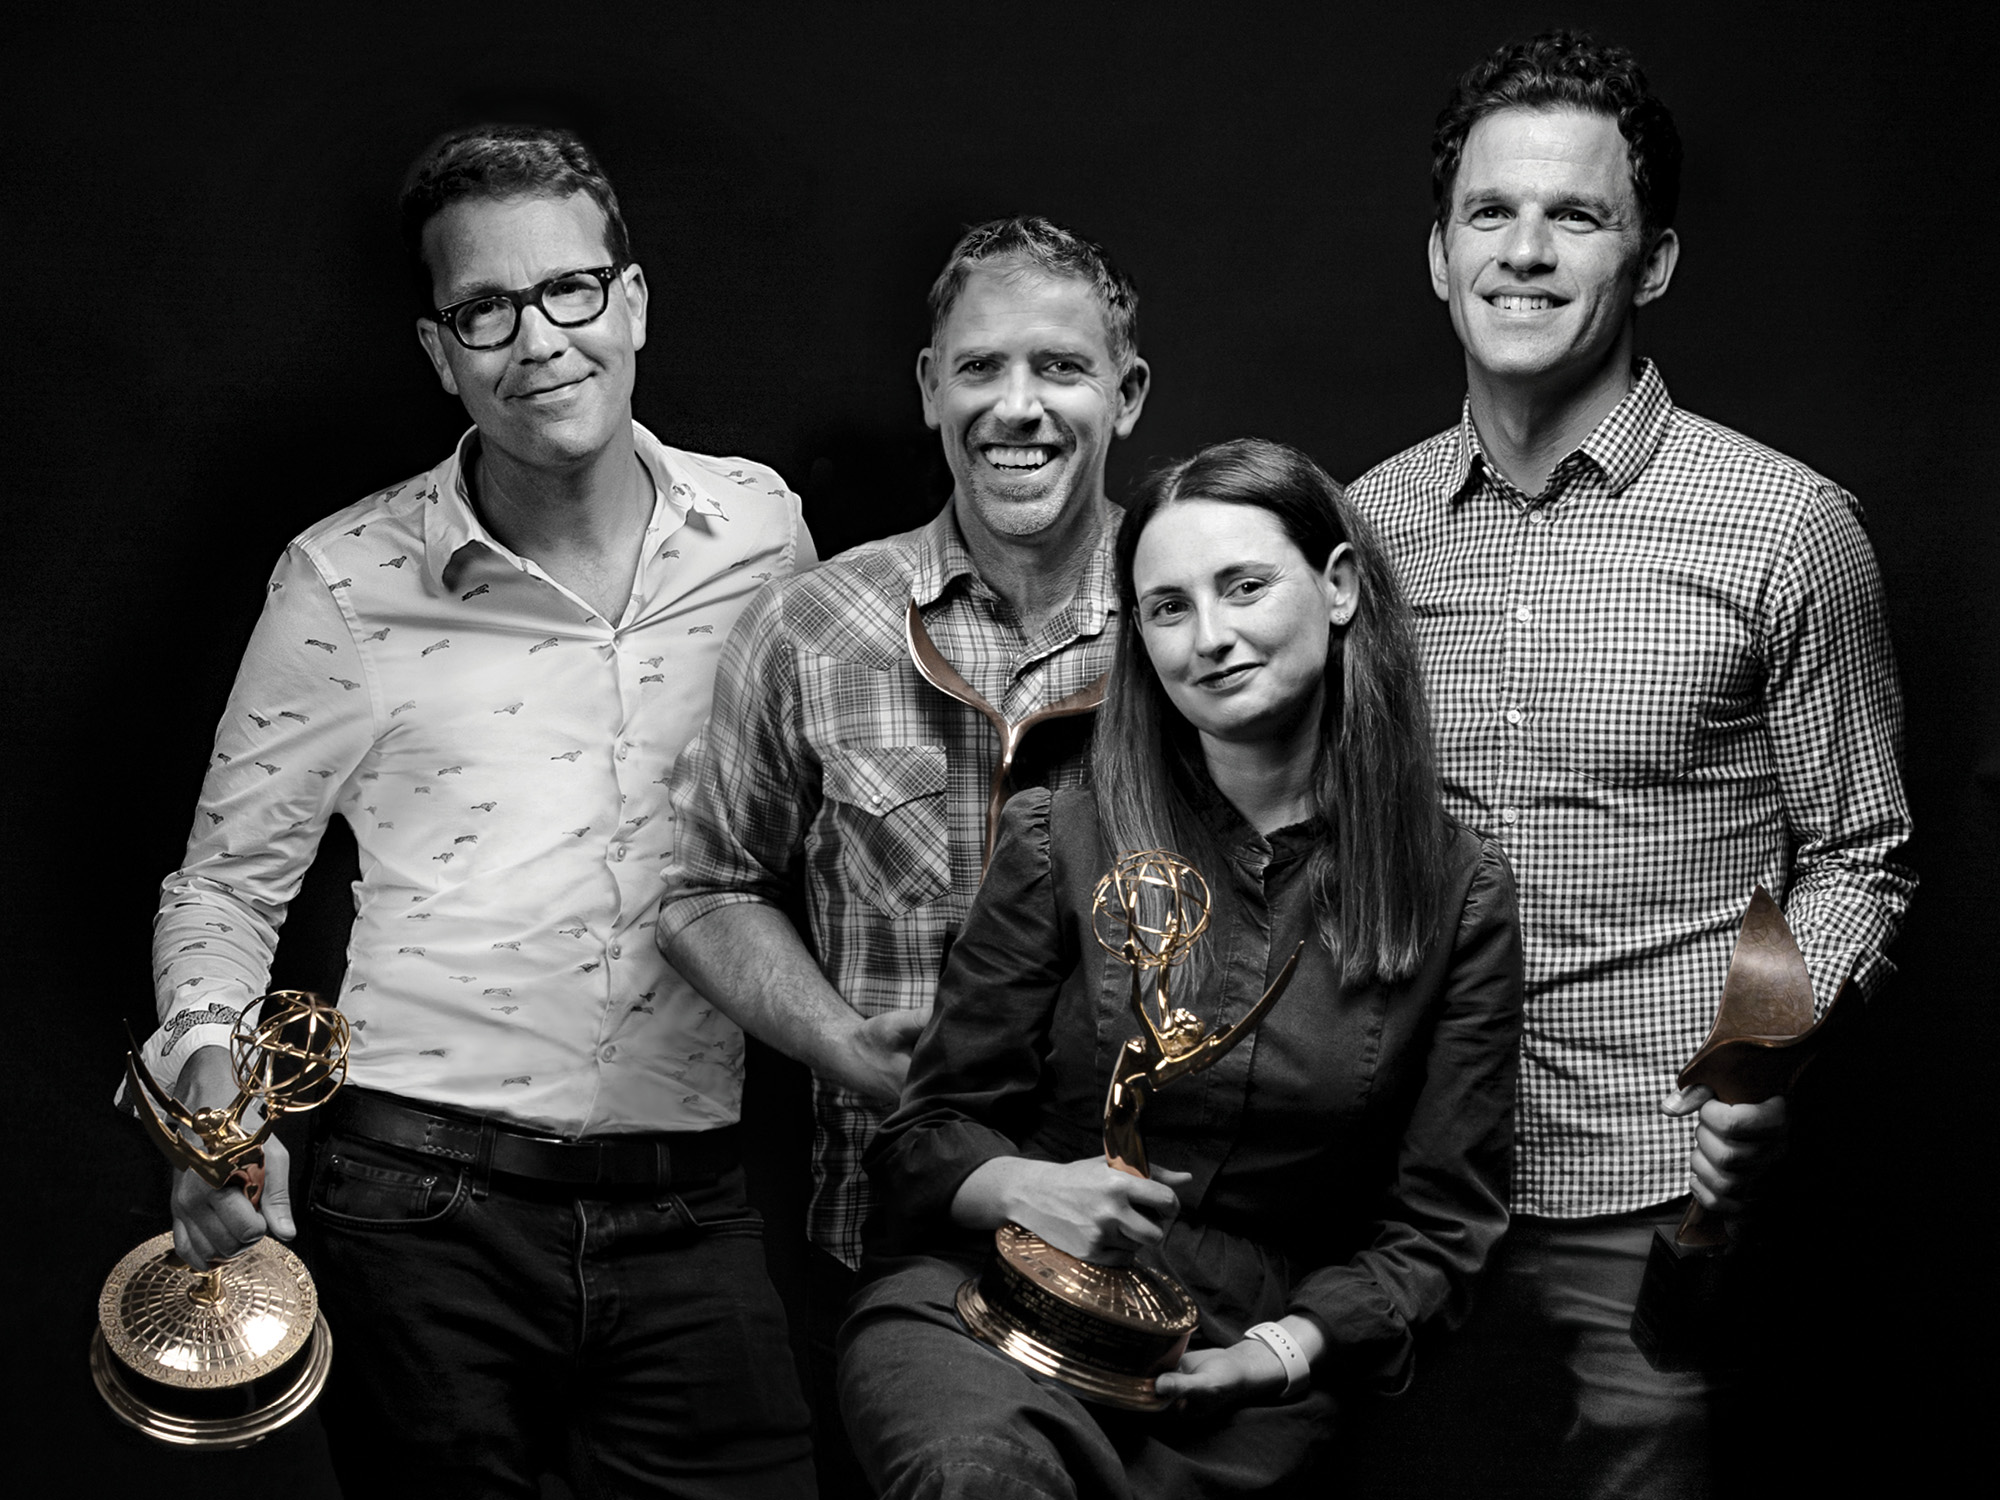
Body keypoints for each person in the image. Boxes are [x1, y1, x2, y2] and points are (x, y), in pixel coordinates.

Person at [135, 125, 816, 1496]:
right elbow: (222, 888)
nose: (539, 340)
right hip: (416, 1204)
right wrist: (207, 1097)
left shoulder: (762, 531)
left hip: (691, 1196)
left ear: (631, 299)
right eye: (485, 309)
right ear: (441, 352)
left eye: (569, 289)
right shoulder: (340, 578)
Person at [1345, 30, 1915, 1497]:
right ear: (1436, 253)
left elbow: (1860, 853)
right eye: (1491, 213)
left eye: (1577, 216)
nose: (1525, 254)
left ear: (1650, 262)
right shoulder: (1361, 535)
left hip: (1650, 1202)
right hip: (1396, 1193)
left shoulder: (1787, 529)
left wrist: (1754, 1070)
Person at [839, 438, 1525, 1498]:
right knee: (978, 1477)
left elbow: (1441, 1224)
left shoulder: (1453, 891)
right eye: (1166, 608)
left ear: (1336, 587)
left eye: (1242, 587)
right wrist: (1023, 1186)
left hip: (1238, 1360)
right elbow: (922, 1137)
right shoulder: (1056, 835)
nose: (1208, 638)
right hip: (991, 1306)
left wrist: (1286, 1350)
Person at [657, 216, 1151, 1486]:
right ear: (930, 389)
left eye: (1061, 368)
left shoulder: (1197, 616)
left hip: (1157, 1252)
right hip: (884, 1237)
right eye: (980, 368)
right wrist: (842, 1046)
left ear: (1127, 393)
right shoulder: (810, 626)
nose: (1017, 408)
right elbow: (704, 889)